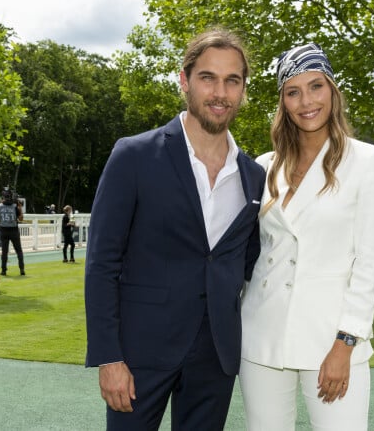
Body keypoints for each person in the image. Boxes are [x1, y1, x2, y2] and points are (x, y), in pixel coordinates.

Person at [84, 28, 265, 431]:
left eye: (232, 80)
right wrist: (108, 357)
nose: (220, 92)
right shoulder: (133, 155)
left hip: (215, 356)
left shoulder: (254, 176)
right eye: (208, 78)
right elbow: (101, 264)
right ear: (185, 81)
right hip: (138, 354)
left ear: (242, 90)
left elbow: (246, 260)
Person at [239, 43, 374, 431]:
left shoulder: (368, 161)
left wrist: (346, 342)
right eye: (293, 91)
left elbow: (368, 262)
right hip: (261, 337)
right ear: (283, 102)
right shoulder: (264, 166)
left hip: (331, 339)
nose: (306, 101)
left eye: (316, 86)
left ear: (333, 91)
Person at [0, 189, 25, 276]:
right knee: (19, 251)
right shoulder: (15, 206)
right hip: (14, 230)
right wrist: (20, 208)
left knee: (4, 252)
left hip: (3, 230)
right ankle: (22, 269)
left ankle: (3, 270)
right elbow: (21, 219)